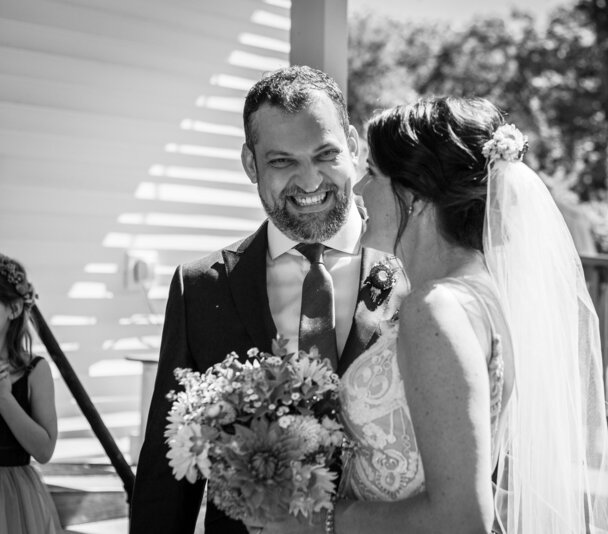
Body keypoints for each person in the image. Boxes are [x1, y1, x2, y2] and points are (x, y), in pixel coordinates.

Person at [257, 97, 608, 534]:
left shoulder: (435, 309)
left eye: (373, 174)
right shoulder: (482, 290)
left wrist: (321, 521)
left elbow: (460, 519)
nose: (358, 190)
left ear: (414, 196)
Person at [129, 66, 408, 534]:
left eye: (325, 154)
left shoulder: (411, 269)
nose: (310, 180)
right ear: (250, 164)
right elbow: (166, 473)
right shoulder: (200, 287)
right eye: (282, 161)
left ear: (354, 147)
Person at [0, 253, 62, 534]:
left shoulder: (34, 371)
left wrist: (4, 400)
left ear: (13, 309)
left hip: (13, 497)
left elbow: (44, 450)